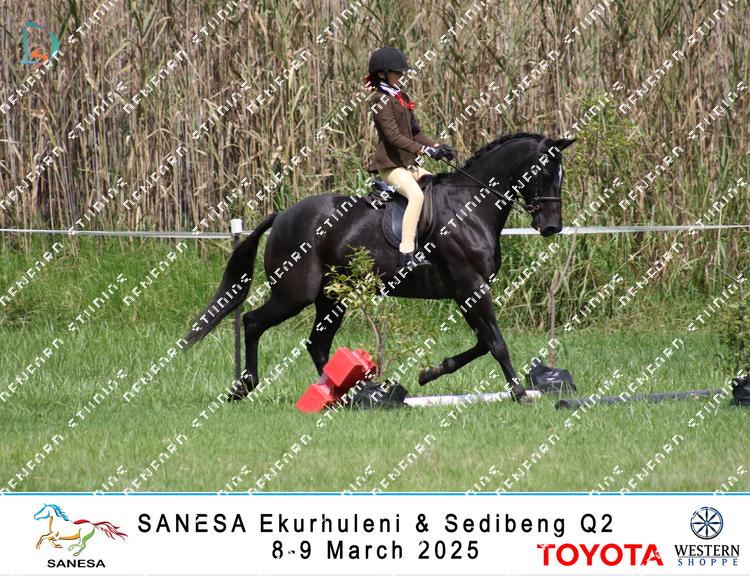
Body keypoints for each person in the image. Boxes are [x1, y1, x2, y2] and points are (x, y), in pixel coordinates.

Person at [365, 46, 456, 269]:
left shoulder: (401, 97)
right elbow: (393, 137)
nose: (400, 75)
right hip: (391, 167)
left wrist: (437, 146)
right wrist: (423, 150)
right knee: (416, 196)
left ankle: (430, 243)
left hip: (408, 165)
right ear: (382, 74)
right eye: (396, 72)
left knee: (435, 188)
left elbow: (415, 132)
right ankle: (406, 253)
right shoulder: (380, 100)